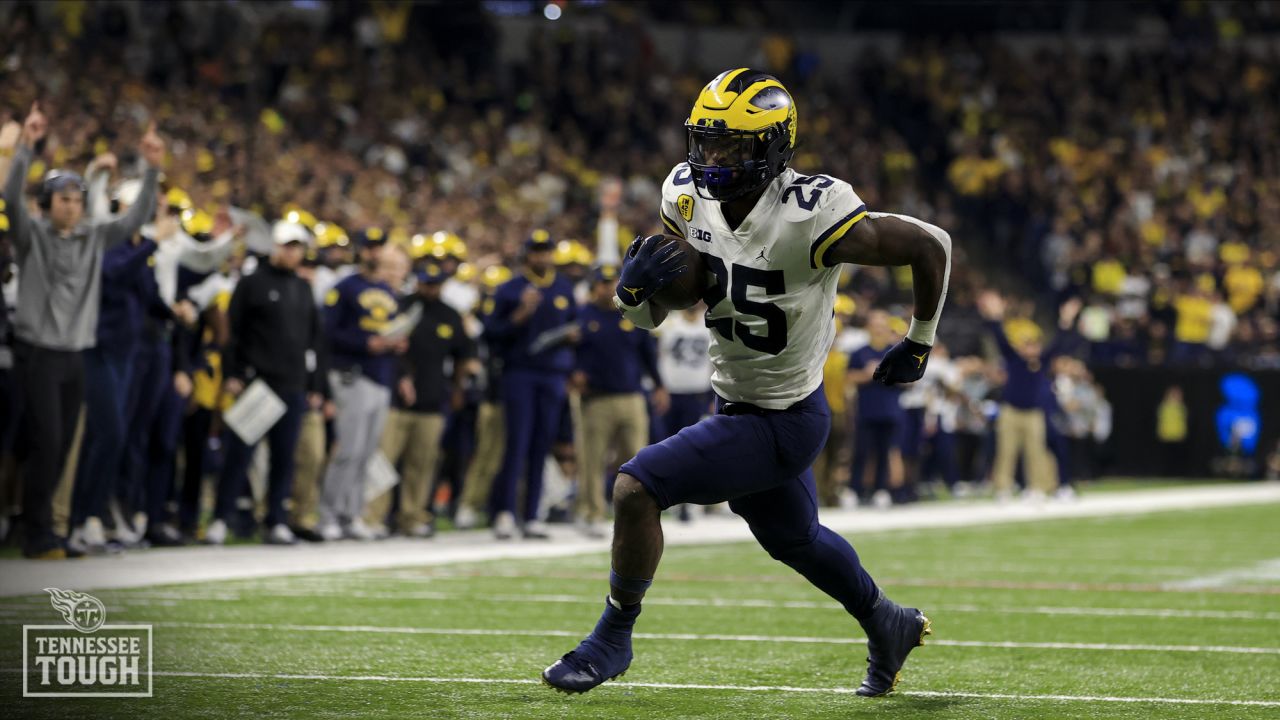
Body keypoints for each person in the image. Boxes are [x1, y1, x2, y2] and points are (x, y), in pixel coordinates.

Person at [543, 69, 950, 698]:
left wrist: (919, 341)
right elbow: (661, 308)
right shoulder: (685, 193)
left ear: (774, 146)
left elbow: (932, 244)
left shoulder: (813, 211)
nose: (714, 158)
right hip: (737, 400)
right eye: (707, 142)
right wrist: (629, 295)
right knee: (797, 540)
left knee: (635, 489)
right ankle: (887, 621)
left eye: (732, 145)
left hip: (784, 418)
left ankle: (611, 637)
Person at [4, 103, 164, 559]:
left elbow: (135, 221)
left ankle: (45, 528)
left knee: (61, 448)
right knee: (46, 443)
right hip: (37, 352)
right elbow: (11, 200)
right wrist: (27, 149)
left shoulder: (93, 237)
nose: (72, 208)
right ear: (47, 204)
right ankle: (36, 533)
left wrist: (152, 169)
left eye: (77, 200)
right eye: (63, 200)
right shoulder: (30, 234)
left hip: (74, 355)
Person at [205, 220, 326, 545]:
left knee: (284, 459)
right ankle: (220, 519)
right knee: (238, 456)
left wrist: (314, 385)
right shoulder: (252, 283)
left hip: (292, 385)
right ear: (274, 246)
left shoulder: (303, 287)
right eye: (287, 246)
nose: (291, 252)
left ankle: (275, 520)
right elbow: (233, 334)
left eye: (297, 247)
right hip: (257, 383)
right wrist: (232, 373)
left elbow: (312, 340)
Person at [364, 261, 472, 538]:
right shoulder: (400, 306)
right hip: (397, 400)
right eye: (426, 283)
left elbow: (463, 355)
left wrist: (457, 389)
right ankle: (373, 517)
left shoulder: (450, 314)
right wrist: (401, 375)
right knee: (385, 460)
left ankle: (411, 517)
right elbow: (388, 346)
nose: (430, 288)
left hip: (433, 399)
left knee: (422, 464)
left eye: (435, 284)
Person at [483, 231, 579, 540]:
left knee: (542, 445)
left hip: (552, 375)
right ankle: (504, 512)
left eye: (546, 251)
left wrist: (572, 344)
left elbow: (576, 326)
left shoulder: (563, 288)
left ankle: (532, 514)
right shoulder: (510, 289)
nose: (542, 257)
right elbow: (490, 334)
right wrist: (518, 316)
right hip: (519, 373)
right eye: (537, 251)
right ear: (527, 254)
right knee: (517, 444)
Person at [317, 239, 408, 541]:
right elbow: (328, 334)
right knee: (349, 450)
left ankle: (351, 514)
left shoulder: (386, 291)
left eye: (378, 247)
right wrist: (364, 343)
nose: (374, 253)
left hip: (382, 376)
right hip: (352, 375)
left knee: (366, 453)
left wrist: (396, 343)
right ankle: (329, 514)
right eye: (368, 247)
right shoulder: (344, 288)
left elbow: (390, 328)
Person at [573, 265, 667, 538]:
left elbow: (648, 353)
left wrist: (659, 385)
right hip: (595, 398)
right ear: (593, 287)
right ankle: (591, 513)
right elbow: (568, 352)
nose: (607, 287)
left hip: (632, 396)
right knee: (592, 458)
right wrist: (574, 373)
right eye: (602, 283)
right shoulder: (581, 315)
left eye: (611, 282)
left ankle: (635, 516)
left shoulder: (631, 312)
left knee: (637, 460)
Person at [979, 292, 1081, 501]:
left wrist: (1065, 321)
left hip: (1034, 413)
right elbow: (999, 337)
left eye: (1034, 344)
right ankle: (1003, 489)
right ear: (1021, 346)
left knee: (1036, 453)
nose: (1031, 348)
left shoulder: (1042, 362)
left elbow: (1059, 344)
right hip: (1011, 411)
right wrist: (996, 315)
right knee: (1006, 452)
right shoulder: (1013, 359)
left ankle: (1035, 488)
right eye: (1027, 344)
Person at [847, 311, 908, 507]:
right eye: (875, 324)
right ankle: (854, 490)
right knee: (861, 452)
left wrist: (886, 373)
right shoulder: (859, 352)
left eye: (882, 325)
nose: (878, 329)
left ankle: (881, 490)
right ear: (868, 327)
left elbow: (908, 380)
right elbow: (849, 378)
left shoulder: (896, 352)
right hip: (866, 410)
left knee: (885, 453)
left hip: (889, 410)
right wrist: (867, 374)